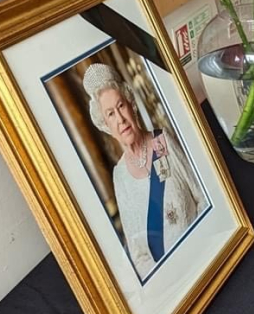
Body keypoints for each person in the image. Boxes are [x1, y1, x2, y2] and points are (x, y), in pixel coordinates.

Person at [83, 62, 208, 278]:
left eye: (121, 106)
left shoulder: (163, 142)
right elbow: (138, 254)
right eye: (111, 114)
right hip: (170, 279)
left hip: (203, 256)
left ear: (131, 104)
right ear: (106, 125)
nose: (120, 119)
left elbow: (204, 199)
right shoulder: (119, 176)